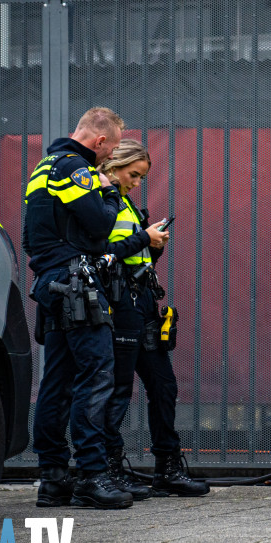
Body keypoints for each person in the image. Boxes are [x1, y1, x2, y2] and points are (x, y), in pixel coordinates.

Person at [23, 107, 131, 509]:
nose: (110, 158)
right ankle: (91, 474)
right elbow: (102, 224)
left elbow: (28, 236)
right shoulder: (77, 169)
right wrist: (109, 189)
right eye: (113, 149)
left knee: (57, 380)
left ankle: (53, 478)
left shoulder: (42, 168)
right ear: (99, 141)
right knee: (97, 373)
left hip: (51, 281)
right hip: (77, 280)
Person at [99, 139, 210, 499]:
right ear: (114, 165)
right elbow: (103, 256)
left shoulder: (125, 202)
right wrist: (142, 239)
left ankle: (168, 467)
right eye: (133, 174)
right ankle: (110, 469)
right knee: (117, 391)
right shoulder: (98, 200)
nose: (135, 182)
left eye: (141, 177)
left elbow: (131, 258)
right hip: (119, 305)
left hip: (143, 302)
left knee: (164, 386)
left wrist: (152, 248)